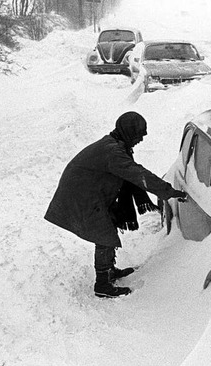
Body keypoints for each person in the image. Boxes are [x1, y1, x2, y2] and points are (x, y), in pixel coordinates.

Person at [45, 111, 187, 298]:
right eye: (138, 135)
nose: (140, 140)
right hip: (80, 196)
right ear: (128, 133)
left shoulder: (114, 145)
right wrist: (169, 192)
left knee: (108, 225)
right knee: (104, 234)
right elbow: (138, 175)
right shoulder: (113, 152)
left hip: (89, 192)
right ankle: (103, 284)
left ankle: (109, 270)